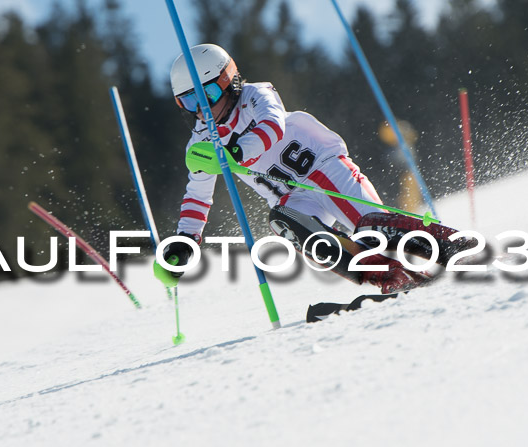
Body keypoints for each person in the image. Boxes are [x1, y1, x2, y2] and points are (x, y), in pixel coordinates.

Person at [154, 44, 448, 293]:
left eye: (208, 95)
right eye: (190, 101)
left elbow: (273, 125)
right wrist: (185, 240)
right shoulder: (202, 141)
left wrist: (237, 152)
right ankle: (390, 275)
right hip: (295, 197)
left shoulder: (256, 95)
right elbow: (198, 194)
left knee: (374, 228)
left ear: (228, 81)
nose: (202, 109)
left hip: (324, 170)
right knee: (283, 220)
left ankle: (449, 246)